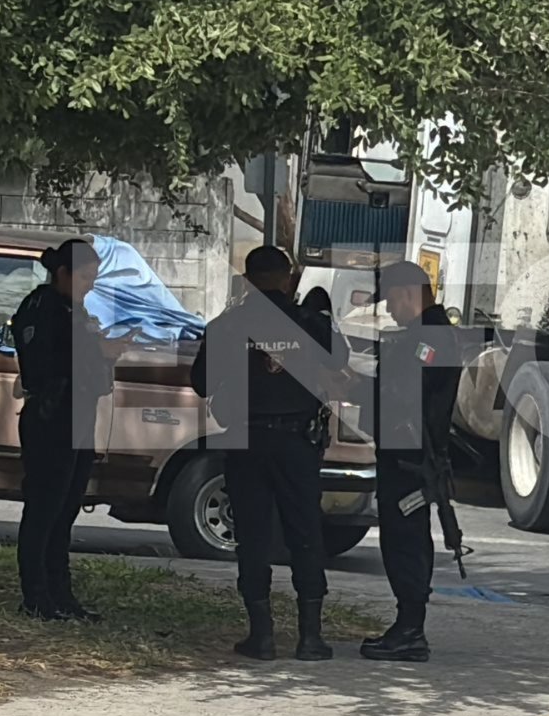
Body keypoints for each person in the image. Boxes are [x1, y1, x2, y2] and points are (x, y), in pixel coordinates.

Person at [190, 246, 347, 661]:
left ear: (247, 281)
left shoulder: (226, 326)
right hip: (297, 444)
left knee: (253, 537)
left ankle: (261, 636)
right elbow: (341, 359)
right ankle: (310, 638)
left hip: (248, 442)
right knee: (305, 535)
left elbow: (202, 383)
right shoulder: (310, 322)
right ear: (287, 278)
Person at [362, 261, 462, 663]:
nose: (388, 310)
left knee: (405, 541)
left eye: (390, 300)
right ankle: (407, 626)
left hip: (412, 459)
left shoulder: (430, 338)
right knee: (403, 538)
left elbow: (403, 393)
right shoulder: (425, 335)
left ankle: (410, 629)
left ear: (408, 292)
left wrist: (355, 388)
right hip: (406, 455)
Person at [12, 238, 115, 622]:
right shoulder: (42, 308)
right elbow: (43, 365)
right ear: (62, 273)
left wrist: (103, 354)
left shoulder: (76, 310)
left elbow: (90, 371)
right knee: (44, 509)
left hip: (79, 416)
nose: (90, 286)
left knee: (66, 509)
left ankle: (60, 594)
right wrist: (96, 351)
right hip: (51, 417)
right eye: (85, 277)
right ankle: (36, 596)